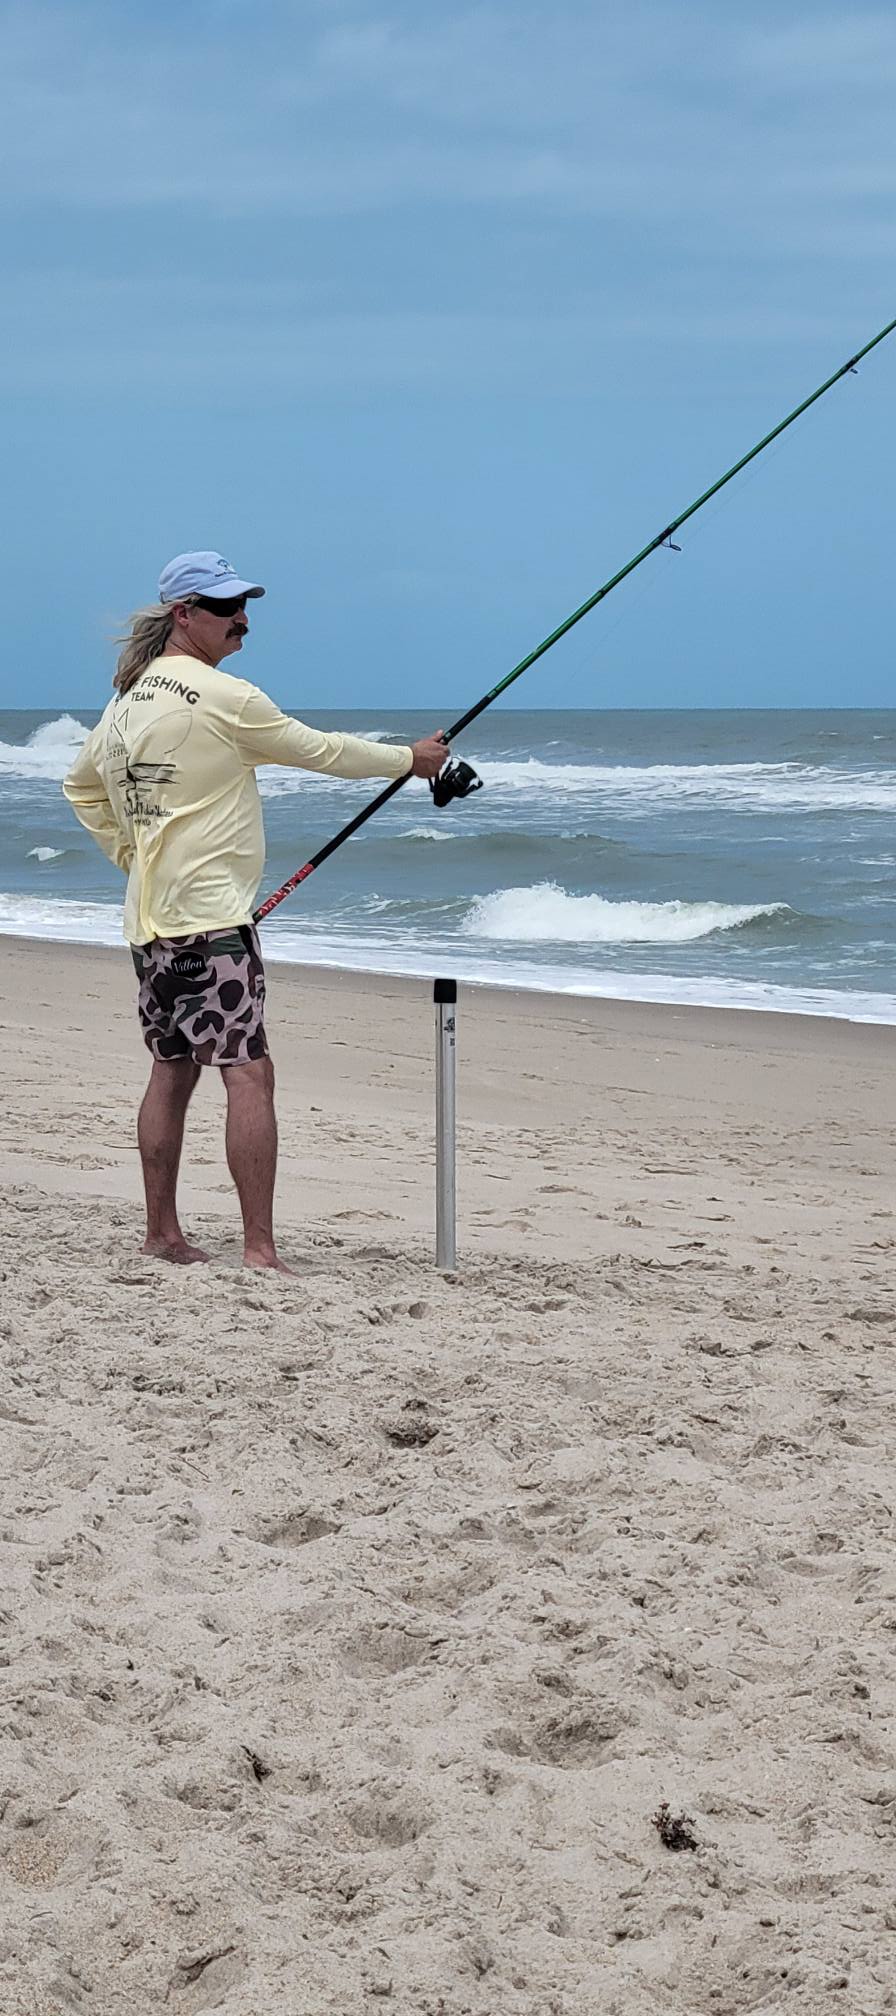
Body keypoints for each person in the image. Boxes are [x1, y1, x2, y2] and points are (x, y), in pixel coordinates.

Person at [63, 550, 446, 1271]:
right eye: (224, 607)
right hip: (211, 924)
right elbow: (319, 751)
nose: (241, 618)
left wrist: (133, 855)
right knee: (247, 1073)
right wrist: (409, 759)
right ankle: (259, 1250)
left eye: (244, 604)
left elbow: (81, 787)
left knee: (171, 1070)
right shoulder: (223, 695)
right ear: (184, 615)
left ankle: (162, 1235)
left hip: (149, 923)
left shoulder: (126, 700)